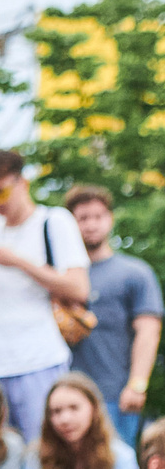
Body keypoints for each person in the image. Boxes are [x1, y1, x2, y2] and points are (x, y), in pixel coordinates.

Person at [0, 148, 92, 439]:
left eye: (1, 192)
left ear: (23, 183)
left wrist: (16, 261)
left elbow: (79, 288)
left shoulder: (54, 222)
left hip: (39, 360)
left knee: (44, 452)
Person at [73, 184, 165, 442]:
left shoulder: (134, 272)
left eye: (98, 216)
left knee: (118, 467)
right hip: (68, 395)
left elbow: (148, 330)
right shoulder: (61, 276)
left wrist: (137, 385)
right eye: (83, 218)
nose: (91, 224)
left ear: (110, 219)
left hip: (116, 395)